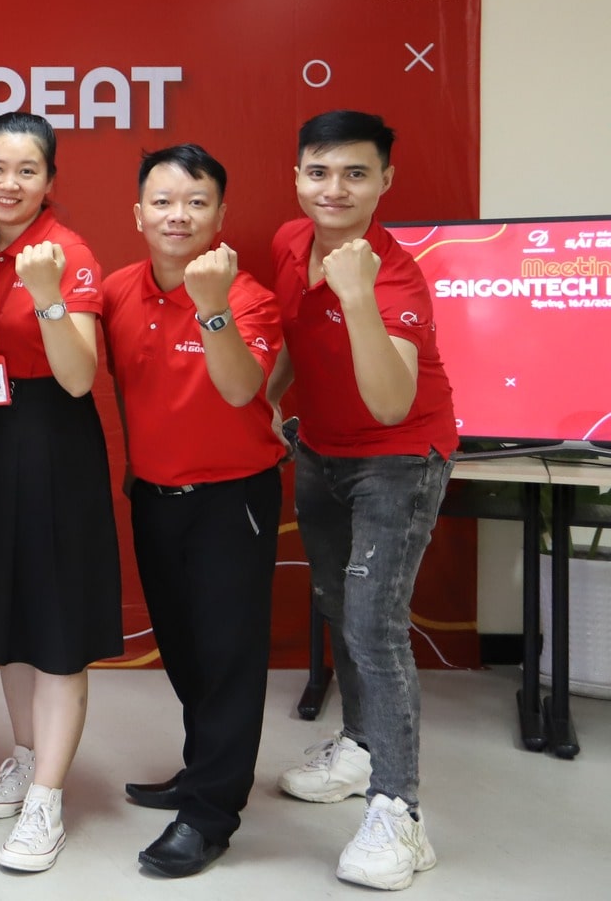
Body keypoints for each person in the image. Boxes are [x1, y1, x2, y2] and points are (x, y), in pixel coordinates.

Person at [266, 110, 457, 891]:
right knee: (338, 607)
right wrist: (269, 399)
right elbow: (291, 335)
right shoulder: (290, 242)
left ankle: (399, 811)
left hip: (398, 459)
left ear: (385, 181)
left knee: (375, 625)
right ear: (298, 177)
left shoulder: (396, 276)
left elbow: (390, 402)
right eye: (319, 172)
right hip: (322, 451)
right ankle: (360, 747)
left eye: (355, 173)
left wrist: (358, 298)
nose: (334, 189)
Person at [0, 110, 119, 873]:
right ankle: (26, 757)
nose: (8, 184)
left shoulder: (68, 254)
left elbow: (78, 377)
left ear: (49, 180)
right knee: (8, 617)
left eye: (27, 171)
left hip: (52, 442)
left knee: (55, 629)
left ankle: (47, 800)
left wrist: (45, 294)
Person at [101, 145, 285, 878]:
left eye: (196, 202)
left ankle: (210, 814)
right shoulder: (117, 290)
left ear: (220, 215)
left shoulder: (249, 296)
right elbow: (124, 386)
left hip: (230, 501)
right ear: (138, 213)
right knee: (182, 649)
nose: (178, 216)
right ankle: (204, 767)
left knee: (228, 658)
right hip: (155, 497)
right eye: (163, 202)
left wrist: (211, 309)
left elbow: (241, 390)